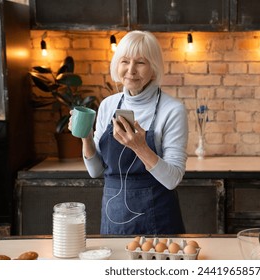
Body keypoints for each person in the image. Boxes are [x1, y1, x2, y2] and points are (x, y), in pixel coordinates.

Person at [69, 31, 188, 235]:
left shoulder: (173, 110)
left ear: (154, 68)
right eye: (125, 61)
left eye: (140, 63)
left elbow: (172, 179)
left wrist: (139, 146)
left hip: (158, 219)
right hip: (113, 215)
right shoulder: (108, 105)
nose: (131, 70)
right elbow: (96, 171)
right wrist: (86, 137)